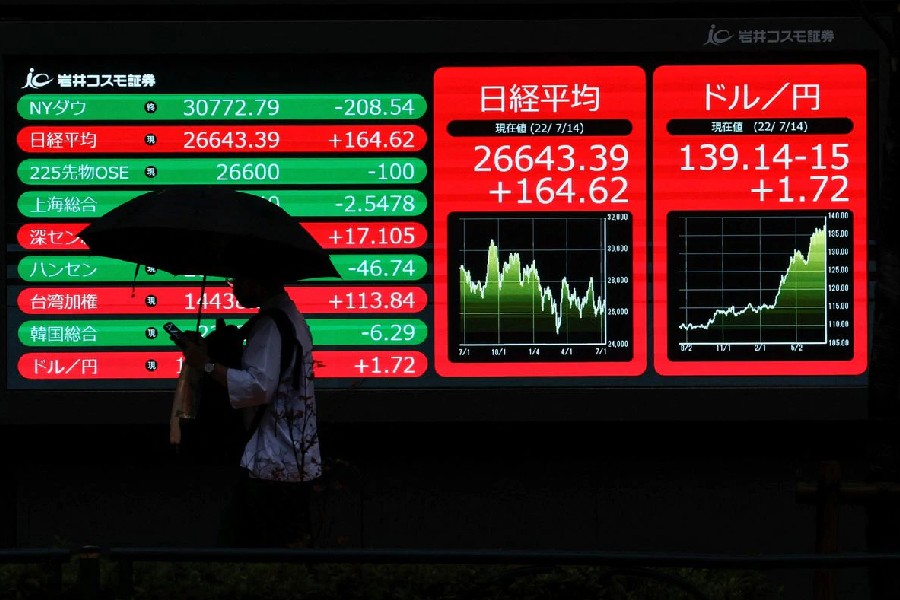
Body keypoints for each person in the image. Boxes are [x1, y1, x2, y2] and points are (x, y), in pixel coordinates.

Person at [180, 271, 322, 547]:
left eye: (235, 281)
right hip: (290, 456)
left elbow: (258, 387)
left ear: (254, 280)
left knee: (253, 550)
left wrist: (206, 364)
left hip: (272, 462)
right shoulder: (288, 315)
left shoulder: (271, 325)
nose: (233, 289)